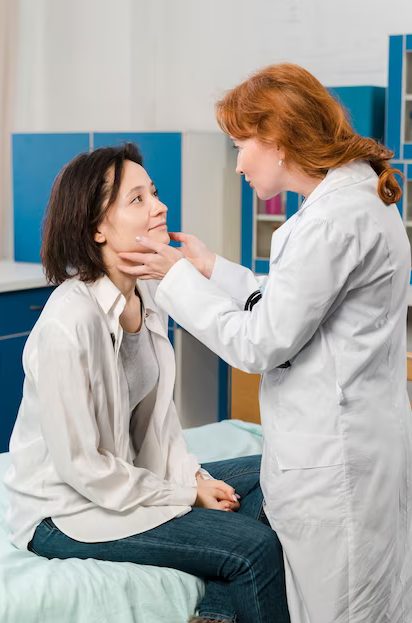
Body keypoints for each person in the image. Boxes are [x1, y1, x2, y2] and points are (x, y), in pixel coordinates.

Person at [117, 64, 412, 623]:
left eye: (240, 145)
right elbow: (294, 303)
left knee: (343, 609)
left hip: (336, 461)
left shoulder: (332, 221)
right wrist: (211, 269)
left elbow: (260, 344)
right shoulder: (349, 201)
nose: (237, 163)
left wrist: (175, 278)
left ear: (275, 142)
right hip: (357, 445)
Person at [4, 143, 291, 623]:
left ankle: (214, 615)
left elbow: (159, 426)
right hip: (65, 510)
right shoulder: (68, 324)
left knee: (279, 473)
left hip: (127, 478)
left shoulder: (147, 292)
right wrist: (185, 494)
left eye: (153, 193)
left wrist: (194, 476)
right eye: (137, 199)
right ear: (96, 228)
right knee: (255, 548)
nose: (159, 206)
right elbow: (83, 468)